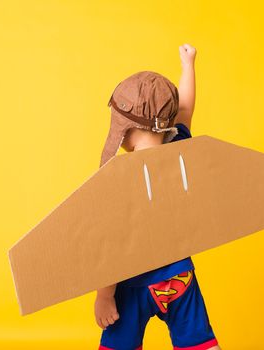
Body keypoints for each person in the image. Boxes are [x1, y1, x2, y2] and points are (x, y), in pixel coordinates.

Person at [95, 44, 221, 350]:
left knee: (119, 343)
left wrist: (104, 295)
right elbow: (187, 109)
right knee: (199, 343)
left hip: (131, 285)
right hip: (179, 278)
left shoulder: (120, 176)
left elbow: (112, 243)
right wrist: (188, 64)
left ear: (127, 131)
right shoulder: (178, 144)